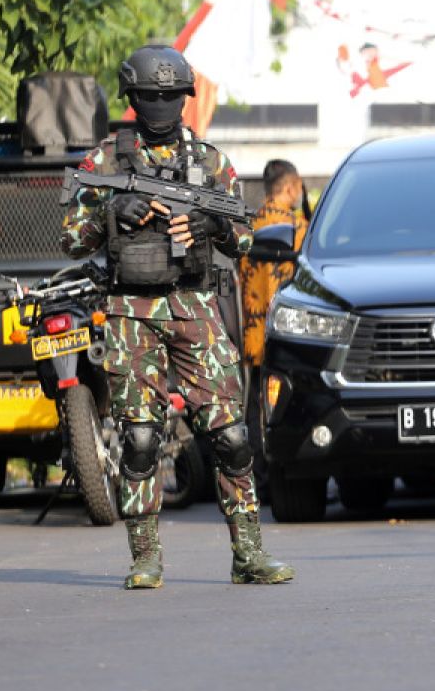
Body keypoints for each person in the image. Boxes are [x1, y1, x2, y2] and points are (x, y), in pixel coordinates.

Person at [60, 44, 294, 589]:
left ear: (185, 98)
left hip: (195, 304)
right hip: (129, 311)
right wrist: (110, 214)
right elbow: (72, 238)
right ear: (134, 98)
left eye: (170, 95)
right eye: (152, 95)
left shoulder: (210, 163)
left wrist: (210, 228)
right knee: (140, 437)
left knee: (230, 436)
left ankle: (249, 554)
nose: (162, 105)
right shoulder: (104, 162)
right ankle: (144, 558)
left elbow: (243, 236)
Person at [238, 159, 308, 367]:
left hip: (252, 338)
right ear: (291, 187)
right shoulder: (300, 228)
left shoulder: (247, 226)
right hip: (289, 337)